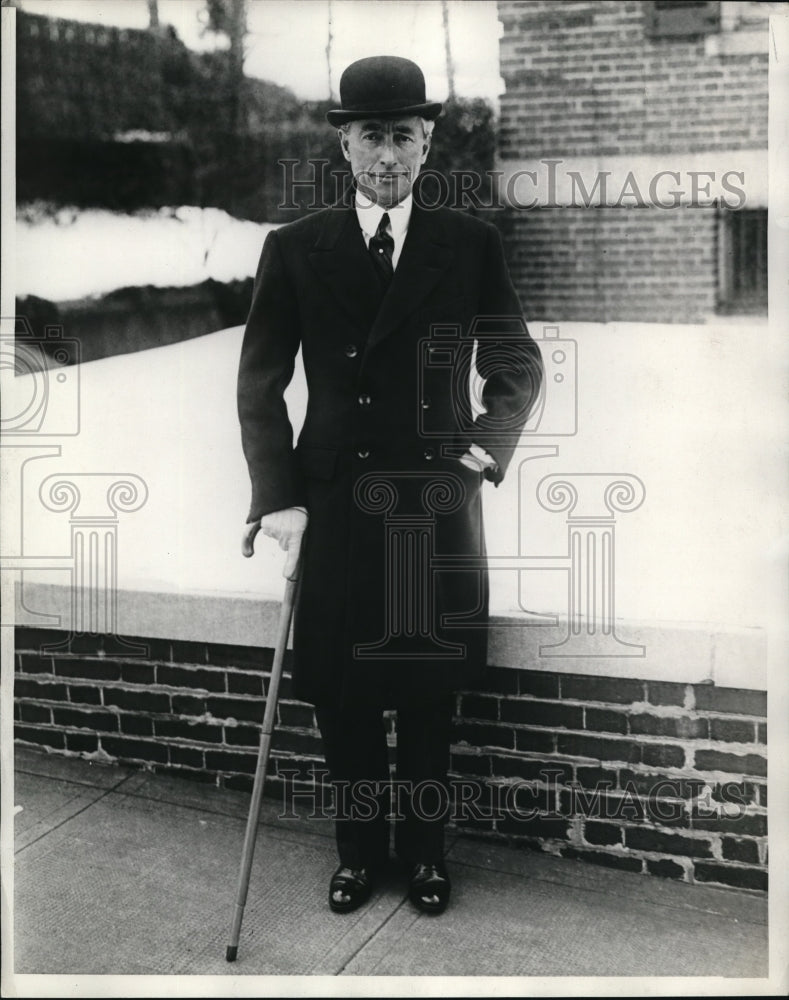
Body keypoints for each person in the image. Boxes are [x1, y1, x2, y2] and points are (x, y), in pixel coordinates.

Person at [237, 55, 543, 915]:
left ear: (426, 143)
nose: (387, 155)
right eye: (370, 135)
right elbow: (259, 384)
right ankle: (358, 852)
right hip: (335, 505)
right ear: (343, 144)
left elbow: (514, 360)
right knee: (344, 695)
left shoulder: (469, 243)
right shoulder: (294, 250)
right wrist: (278, 495)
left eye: (403, 136)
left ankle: (426, 854)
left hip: (432, 502)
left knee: (426, 692)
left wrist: (488, 441)